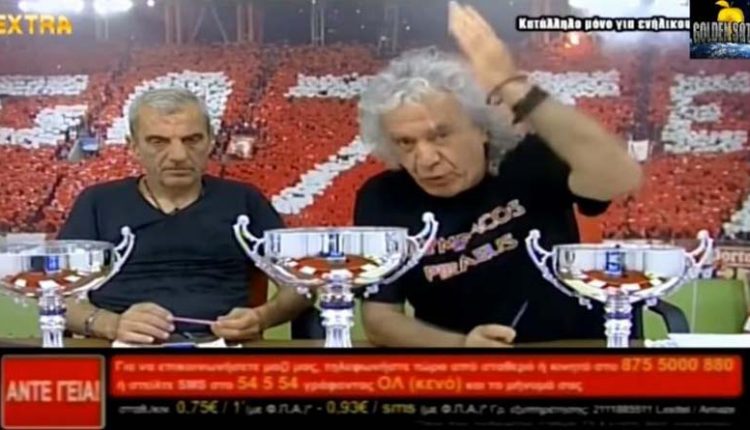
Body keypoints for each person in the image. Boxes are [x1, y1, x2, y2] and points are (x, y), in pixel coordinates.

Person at [353, 3, 644, 347]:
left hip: (566, 353)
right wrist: (463, 346)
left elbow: (620, 176)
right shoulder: (383, 197)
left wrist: (512, 85)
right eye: (405, 142)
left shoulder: (530, 161)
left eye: (441, 135)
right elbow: (380, 319)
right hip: (463, 367)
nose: (425, 160)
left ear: (482, 128)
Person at [59, 88, 311, 344]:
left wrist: (261, 317)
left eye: (192, 140)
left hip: (222, 349)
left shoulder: (245, 200)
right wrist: (109, 324)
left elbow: (301, 287)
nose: (178, 156)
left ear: (211, 141)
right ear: (133, 146)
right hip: (121, 347)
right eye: (158, 141)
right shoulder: (98, 202)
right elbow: (55, 295)